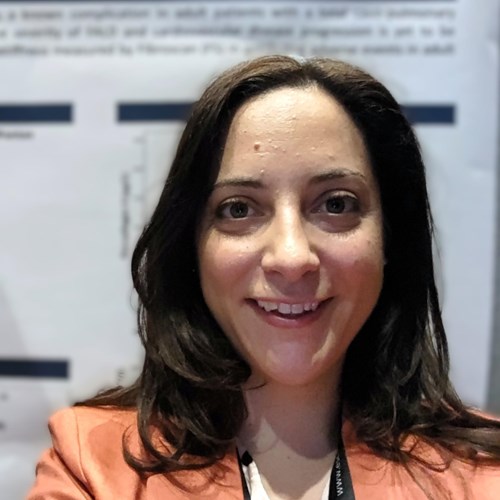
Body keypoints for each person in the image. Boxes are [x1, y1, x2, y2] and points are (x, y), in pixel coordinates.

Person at [28, 55, 500, 500]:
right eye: (238, 209)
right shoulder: (92, 466)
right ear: (190, 246)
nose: (291, 257)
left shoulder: (484, 475)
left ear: (391, 238)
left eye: (336, 204)